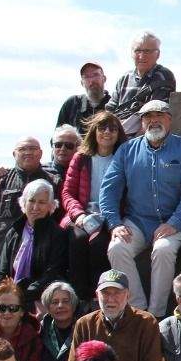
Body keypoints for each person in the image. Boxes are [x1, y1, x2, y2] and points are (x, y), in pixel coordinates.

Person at [99, 98, 181, 315]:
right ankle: (138, 310)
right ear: (141, 122)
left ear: (169, 119)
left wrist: (175, 223)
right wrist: (114, 223)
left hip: (173, 221)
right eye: (147, 117)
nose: (153, 121)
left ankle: (156, 314)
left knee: (163, 250)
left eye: (159, 116)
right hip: (137, 221)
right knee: (116, 248)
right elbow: (108, 190)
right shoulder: (127, 150)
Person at [60, 108, 125, 300]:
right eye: (102, 128)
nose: (107, 133)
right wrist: (78, 214)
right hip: (82, 214)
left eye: (112, 129)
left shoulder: (122, 158)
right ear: (94, 132)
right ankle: (79, 297)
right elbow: (68, 192)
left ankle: (98, 297)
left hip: (109, 216)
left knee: (99, 244)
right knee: (77, 239)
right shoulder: (81, 158)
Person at [0, 136, 51, 293]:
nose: (28, 152)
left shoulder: (51, 180)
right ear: (14, 154)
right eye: (22, 149)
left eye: (33, 149)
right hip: (0, 257)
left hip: (41, 260)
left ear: (41, 153)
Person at [0, 179, 70, 311]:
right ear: (23, 202)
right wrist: (3, 294)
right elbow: (1, 272)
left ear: (50, 206)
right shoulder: (14, 232)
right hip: (10, 298)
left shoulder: (57, 234)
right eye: (31, 201)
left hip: (39, 298)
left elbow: (52, 273)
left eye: (42, 202)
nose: (35, 207)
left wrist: (22, 295)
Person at [110, 31, 177, 136]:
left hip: (142, 139)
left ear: (158, 54)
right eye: (137, 51)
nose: (141, 56)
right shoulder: (124, 78)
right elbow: (110, 109)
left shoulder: (163, 75)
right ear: (131, 53)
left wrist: (130, 145)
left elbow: (153, 115)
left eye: (147, 51)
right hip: (115, 134)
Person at [56, 61, 111, 132]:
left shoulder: (113, 103)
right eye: (86, 77)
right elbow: (57, 135)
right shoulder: (71, 104)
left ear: (104, 79)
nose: (92, 80)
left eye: (96, 75)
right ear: (82, 83)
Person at [37, 280, 79, 361]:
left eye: (65, 301)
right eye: (55, 302)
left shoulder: (83, 330)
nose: (60, 306)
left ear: (73, 305)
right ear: (48, 308)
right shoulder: (39, 331)